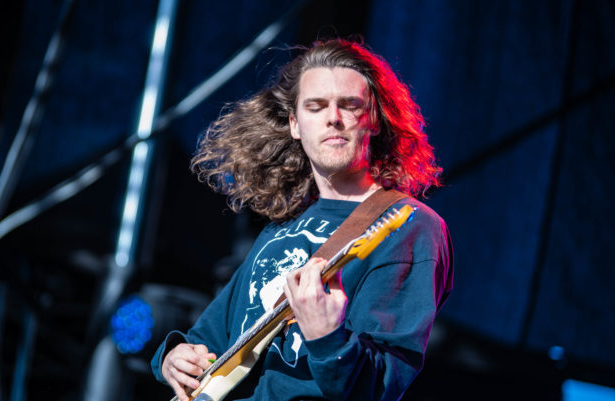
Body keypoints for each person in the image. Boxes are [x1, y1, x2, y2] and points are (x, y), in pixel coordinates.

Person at [151, 38, 453, 401]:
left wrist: (327, 337)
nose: (333, 117)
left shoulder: (410, 226)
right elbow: (209, 338)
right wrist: (174, 357)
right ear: (295, 124)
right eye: (316, 106)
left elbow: (380, 386)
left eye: (350, 105)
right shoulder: (281, 226)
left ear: (374, 119)